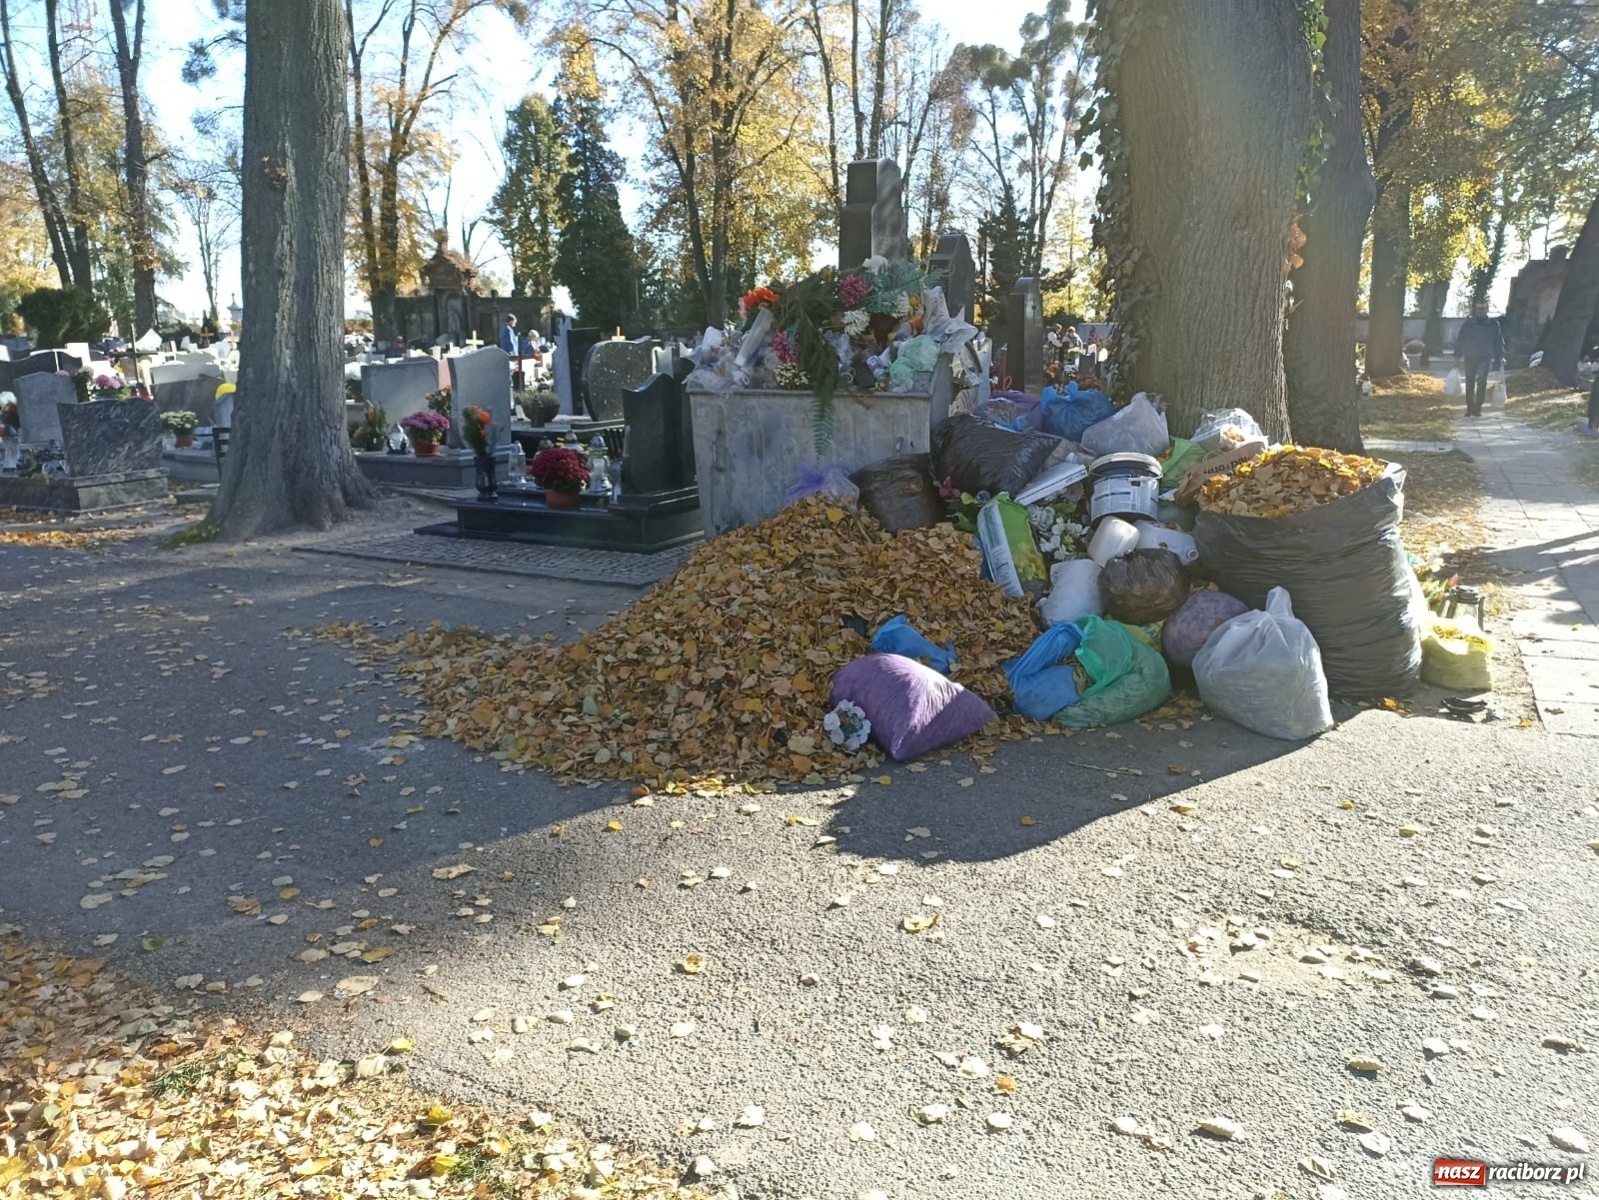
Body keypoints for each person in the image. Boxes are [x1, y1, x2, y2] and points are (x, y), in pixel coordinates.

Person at [1455, 303, 1505, 418]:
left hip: (1485, 357)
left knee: (1482, 381)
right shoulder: (1469, 324)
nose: (1480, 311)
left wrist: (1501, 356)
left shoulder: (1493, 324)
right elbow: (1460, 340)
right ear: (1475, 310)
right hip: (1470, 357)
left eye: (1482, 309)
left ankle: (1478, 408)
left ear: (1487, 310)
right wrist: (1457, 356)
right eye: (1478, 309)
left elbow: (1498, 341)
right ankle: (1469, 408)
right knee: (1469, 382)